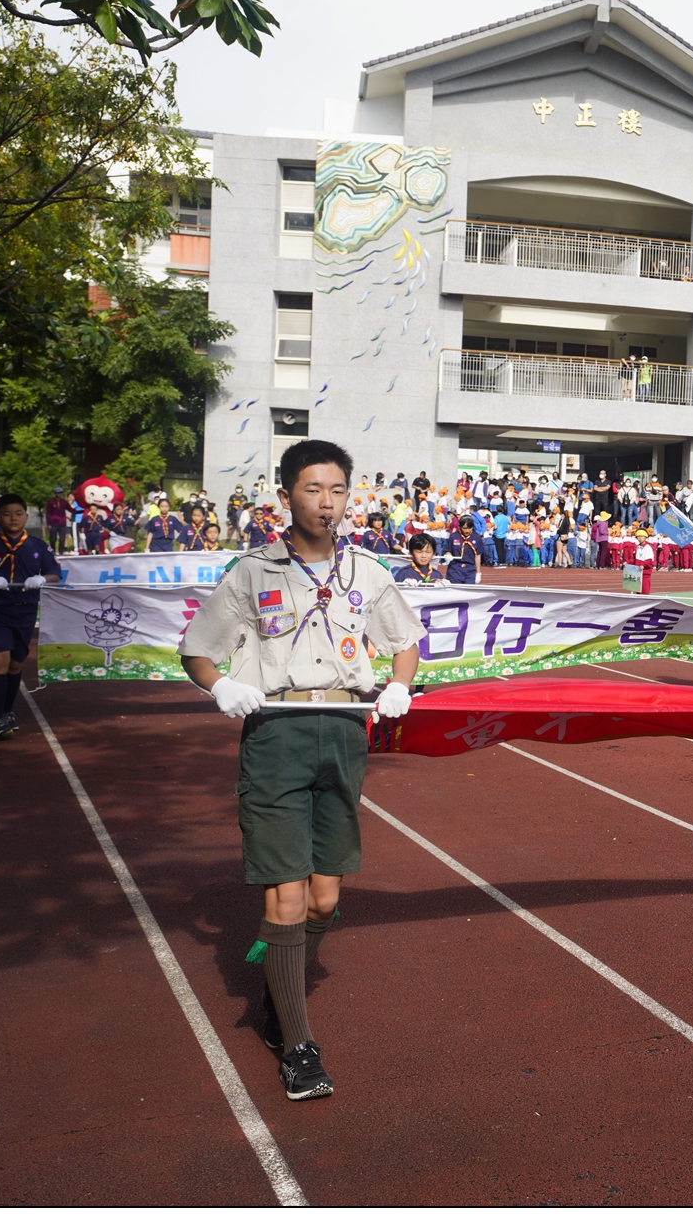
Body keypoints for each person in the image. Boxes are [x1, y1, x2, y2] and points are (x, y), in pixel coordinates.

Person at [179, 440, 424, 1103]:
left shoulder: (366, 570)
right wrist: (220, 686)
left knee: (324, 899)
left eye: (337, 490)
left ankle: (277, 994)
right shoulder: (251, 572)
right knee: (286, 897)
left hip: (343, 732)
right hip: (276, 734)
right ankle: (297, 1046)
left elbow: (404, 641)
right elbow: (197, 650)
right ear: (286, 496)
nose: (327, 502)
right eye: (313, 489)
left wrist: (399, 685)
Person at [0, 492, 65, 740]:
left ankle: (7, 711)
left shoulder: (38, 545)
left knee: (16, 663)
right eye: (7, 514)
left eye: (18, 513)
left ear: (26, 517)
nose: (13, 518)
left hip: (25, 611)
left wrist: (42, 578)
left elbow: (55, 572)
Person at [445, 517, 485, 585]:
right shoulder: (454, 537)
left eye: (469, 528)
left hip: (470, 569)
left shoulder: (476, 538)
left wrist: (478, 573)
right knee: (455, 589)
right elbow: (448, 550)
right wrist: (448, 555)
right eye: (464, 528)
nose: (467, 531)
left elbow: (477, 556)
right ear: (459, 527)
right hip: (455, 568)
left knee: (469, 589)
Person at [44, 488, 73, 554]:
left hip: (62, 523)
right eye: (57, 493)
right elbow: (48, 513)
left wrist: (81, 510)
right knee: (53, 539)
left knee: (62, 538)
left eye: (60, 493)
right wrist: (49, 524)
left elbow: (70, 509)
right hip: (53, 523)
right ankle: (53, 551)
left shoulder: (64, 502)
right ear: (55, 493)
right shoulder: (51, 502)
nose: (59, 494)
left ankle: (61, 551)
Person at [630, 525, 656, 597]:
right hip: (637, 573)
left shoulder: (647, 547)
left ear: (645, 537)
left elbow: (649, 562)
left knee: (644, 592)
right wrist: (628, 562)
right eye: (638, 536)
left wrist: (643, 565)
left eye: (641, 536)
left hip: (645, 574)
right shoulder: (638, 547)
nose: (640, 538)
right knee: (638, 592)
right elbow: (635, 560)